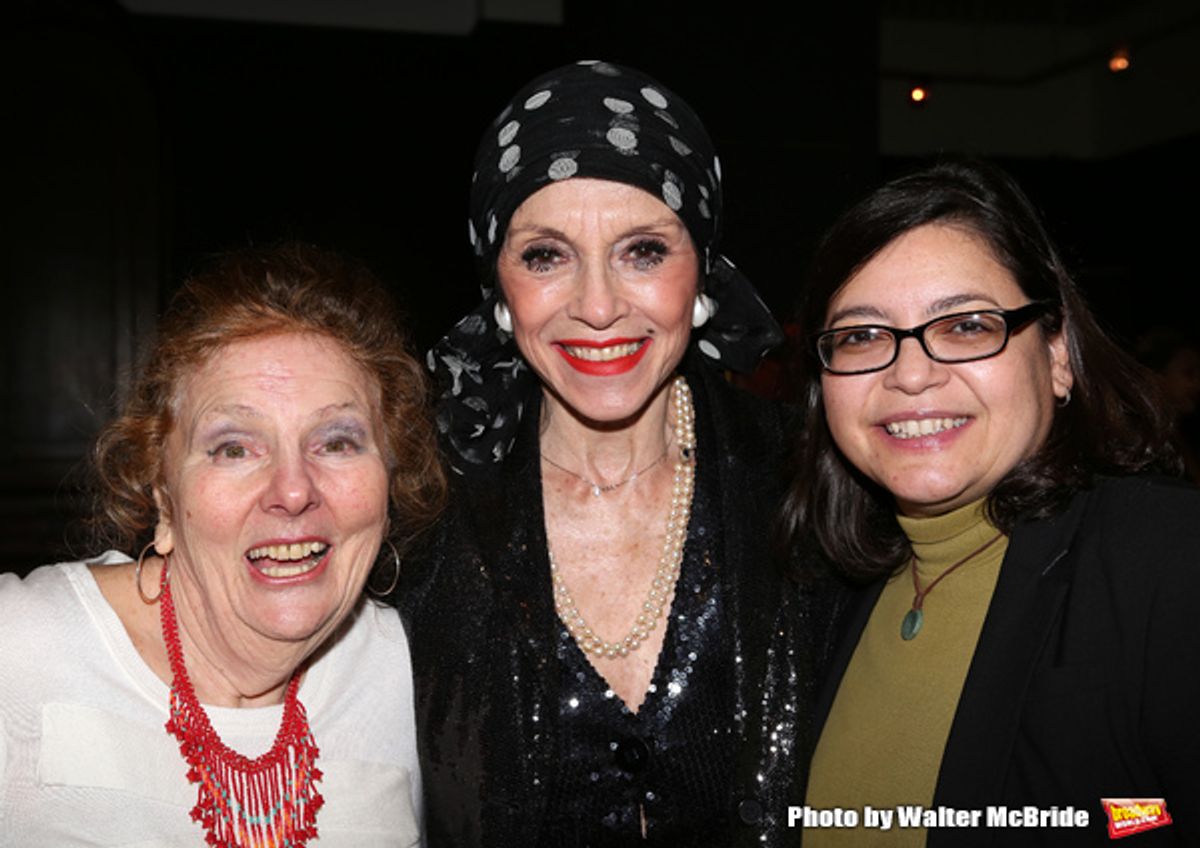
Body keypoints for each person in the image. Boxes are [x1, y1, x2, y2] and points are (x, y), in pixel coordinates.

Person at [399, 60, 841, 846]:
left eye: (643, 251)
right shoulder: (425, 513)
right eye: (546, 255)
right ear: (497, 288)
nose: (598, 307)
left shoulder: (808, 481)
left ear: (701, 267)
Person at [782, 159, 1200, 846]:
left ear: (1059, 352)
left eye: (968, 326)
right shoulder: (822, 595)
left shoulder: (1168, 562)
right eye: (861, 336)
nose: (911, 374)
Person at [0, 243, 445, 846]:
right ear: (163, 495)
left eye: (336, 442)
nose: (292, 491)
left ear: (390, 480)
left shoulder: (416, 675)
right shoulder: (21, 646)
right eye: (234, 448)